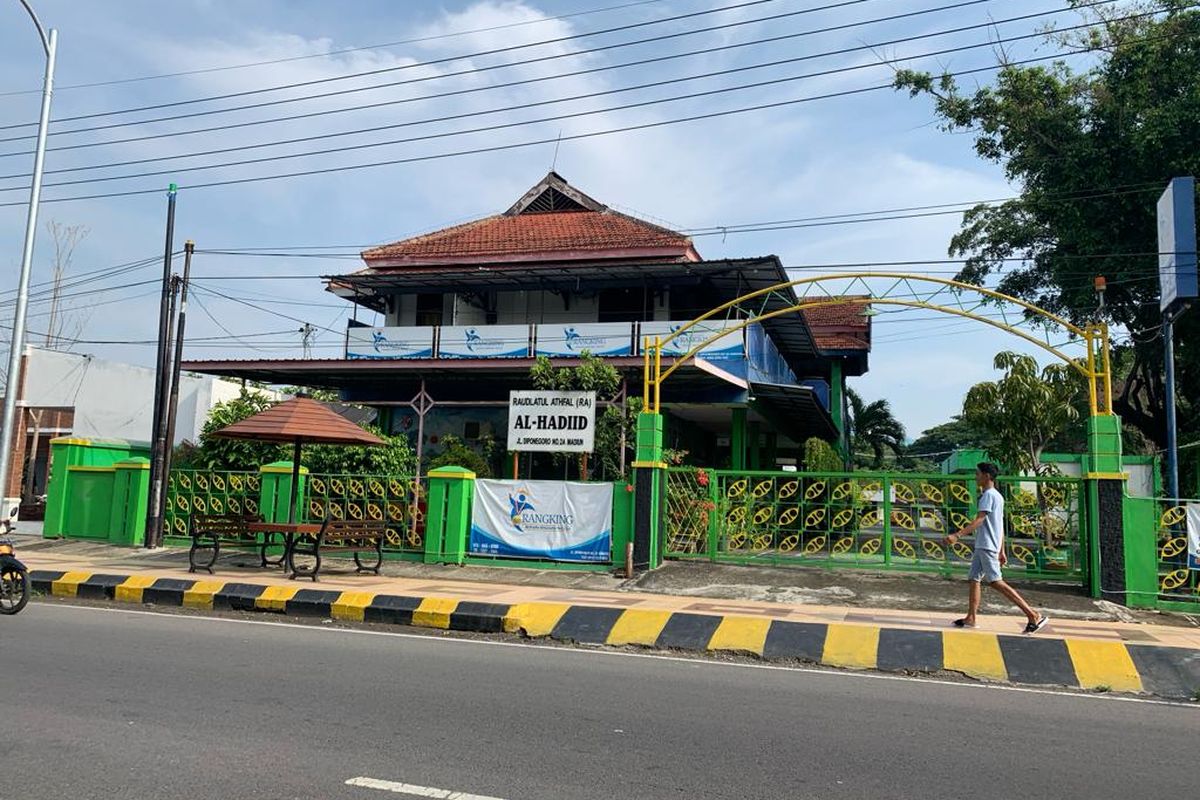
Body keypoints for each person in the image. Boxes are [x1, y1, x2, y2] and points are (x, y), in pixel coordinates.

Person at [947, 462, 1049, 634]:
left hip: (987, 546)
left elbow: (980, 520)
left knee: (996, 582)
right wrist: (1002, 550)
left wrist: (957, 535)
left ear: (987, 476)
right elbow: (999, 524)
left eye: (978, 474)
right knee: (974, 579)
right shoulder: (997, 496)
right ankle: (971, 617)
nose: (976, 477)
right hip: (985, 546)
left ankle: (1033, 615)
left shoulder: (988, 496)